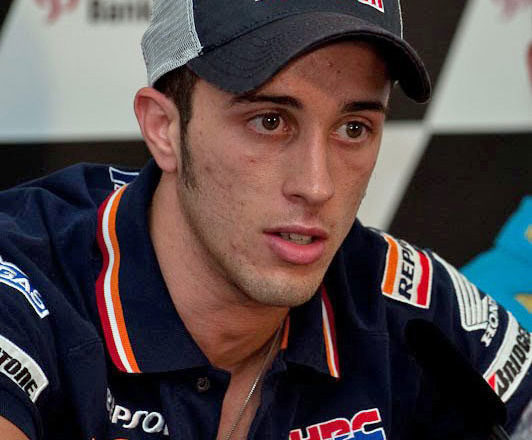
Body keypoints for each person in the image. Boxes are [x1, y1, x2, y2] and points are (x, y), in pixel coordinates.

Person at [0, 1, 529, 439]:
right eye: (270, 121)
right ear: (164, 128)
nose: (317, 186)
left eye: (353, 128)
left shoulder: (411, 310)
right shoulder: (27, 284)